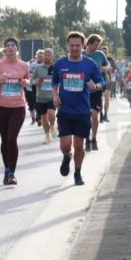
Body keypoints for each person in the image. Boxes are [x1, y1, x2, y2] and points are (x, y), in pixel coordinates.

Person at [53, 31, 104, 186]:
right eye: (71, 45)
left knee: (79, 145)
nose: (74, 48)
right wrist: (55, 95)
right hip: (65, 111)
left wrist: (95, 86)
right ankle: (66, 156)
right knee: (65, 145)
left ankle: (77, 173)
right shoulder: (60, 64)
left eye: (77, 45)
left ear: (83, 46)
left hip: (82, 111)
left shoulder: (89, 64)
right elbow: (54, 82)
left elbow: (102, 82)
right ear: (67, 46)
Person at [0, 37, 30, 185]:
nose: (11, 48)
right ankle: (6, 169)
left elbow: (28, 80)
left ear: (17, 49)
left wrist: (26, 82)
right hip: (2, 108)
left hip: (18, 107)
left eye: (13, 45)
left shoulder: (23, 65)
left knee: (12, 139)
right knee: (5, 140)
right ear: (5, 49)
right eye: (8, 46)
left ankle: (12, 173)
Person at [84, 35, 110, 150]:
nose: (97, 47)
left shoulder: (100, 54)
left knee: (94, 116)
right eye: (95, 45)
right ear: (88, 43)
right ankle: (86, 139)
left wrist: (104, 69)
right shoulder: (81, 54)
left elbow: (108, 65)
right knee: (85, 116)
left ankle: (93, 138)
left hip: (97, 88)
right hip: (83, 90)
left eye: (98, 45)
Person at [32, 47, 57, 143]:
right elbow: (31, 81)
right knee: (43, 118)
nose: (46, 56)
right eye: (45, 54)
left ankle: (52, 126)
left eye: (48, 54)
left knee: (51, 113)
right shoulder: (38, 68)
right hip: (40, 97)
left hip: (52, 96)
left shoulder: (56, 67)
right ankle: (47, 136)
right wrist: (36, 81)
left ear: (53, 56)